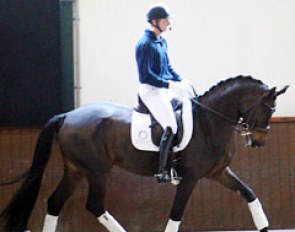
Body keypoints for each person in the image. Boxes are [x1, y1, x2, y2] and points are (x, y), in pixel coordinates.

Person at [135, 5, 192, 183]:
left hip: (163, 89)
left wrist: (180, 80)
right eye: (166, 19)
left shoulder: (161, 41)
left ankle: (177, 163)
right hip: (150, 90)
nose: (169, 22)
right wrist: (168, 83)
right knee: (171, 125)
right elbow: (145, 76)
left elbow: (168, 66)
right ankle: (162, 170)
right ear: (155, 22)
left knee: (184, 113)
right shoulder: (145, 44)